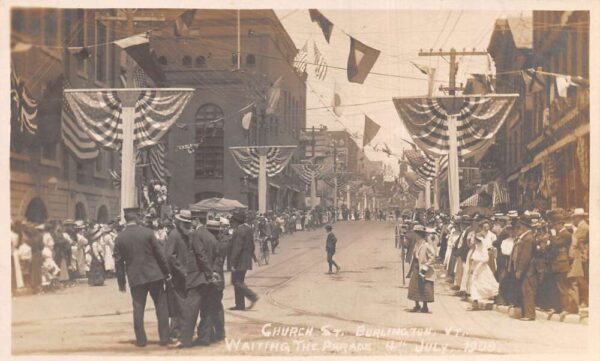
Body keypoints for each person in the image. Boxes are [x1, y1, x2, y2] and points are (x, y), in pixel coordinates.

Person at [113, 207, 172, 347]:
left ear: (126, 219)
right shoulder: (148, 233)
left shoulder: (119, 238)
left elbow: (118, 263)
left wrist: (121, 282)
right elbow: (160, 254)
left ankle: (141, 340)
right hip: (154, 275)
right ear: (137, 218)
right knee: (161, 307)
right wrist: (167, 272)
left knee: (138, 308)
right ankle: (164, 338)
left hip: (135, 277)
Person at [178, 215, 218, 348]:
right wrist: (211, 275)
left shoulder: (196, 234)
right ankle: (204, 338)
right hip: (207, 279)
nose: (191, 224)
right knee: (206, 309)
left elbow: (200, 255)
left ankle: (186, 340)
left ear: (196, 220)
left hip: (197, 277)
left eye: (192, 221)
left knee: (190, 310)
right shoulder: (211, 236)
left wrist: (208, 273)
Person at [164, 210, 192, 341]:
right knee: (176, 303)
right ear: (179, 222)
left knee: (182, 303)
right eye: (185, 223)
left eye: (188, 223)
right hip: (176, 276)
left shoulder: (185, 235)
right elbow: (170, 256)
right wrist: (182, 270)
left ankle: (179, 328)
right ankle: (175, 330)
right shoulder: (174, 235)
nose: (187, 226)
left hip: (185, 276)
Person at [227, 210, 258, 311]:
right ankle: (240, 305)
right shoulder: (248, 229)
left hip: (239, 261)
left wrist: (233, 263)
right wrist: (252, 256)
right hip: (245, 260)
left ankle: (252, 296)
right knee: (239, 281)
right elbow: (252, 245)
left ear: (236, 222)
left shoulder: (239, 231)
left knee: (236, 281)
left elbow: (237, 248)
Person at [407, 224, 436, 313]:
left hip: (423, 268)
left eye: (415, 233)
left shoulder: (426, 245)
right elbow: (415, 256)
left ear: (419, 234)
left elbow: (432, 257)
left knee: (424, 286)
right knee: (414, 286)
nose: (414, 235)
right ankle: (417, 305)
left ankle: (425, 306)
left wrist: (426, 266)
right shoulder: (417, 244)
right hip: (416, 267)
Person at [568, 208, 588, 308]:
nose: (573, 220)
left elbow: (577, 243)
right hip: (581, 255)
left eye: (574, 218)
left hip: (582, 256)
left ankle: (584, 300)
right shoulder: (581, 226)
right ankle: (583, 300)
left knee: (582, 279)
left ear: (579, 217)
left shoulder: (583, 227)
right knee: (580, 278)